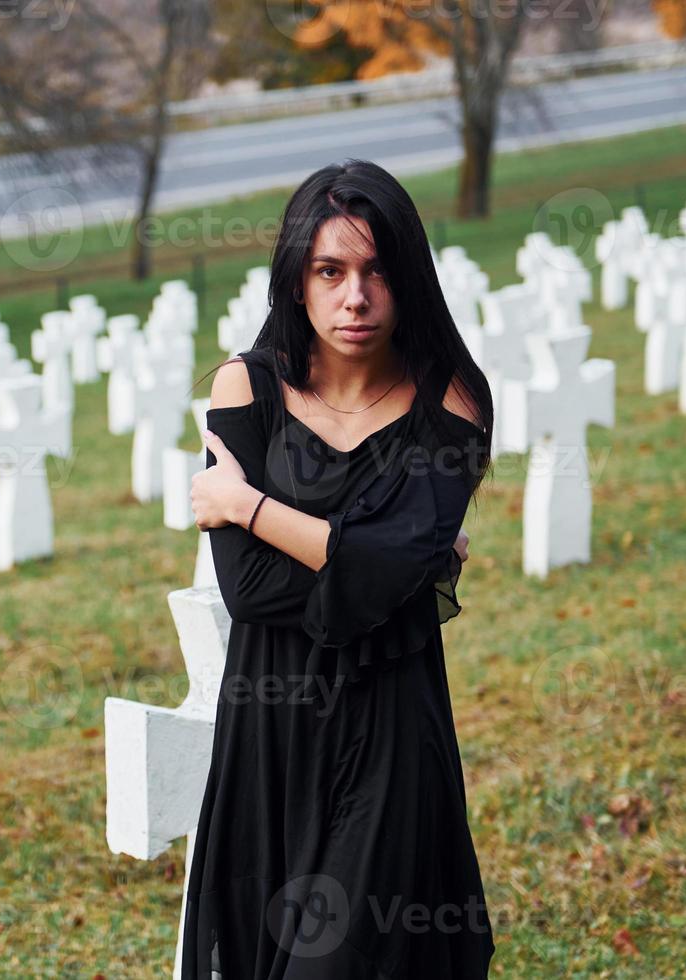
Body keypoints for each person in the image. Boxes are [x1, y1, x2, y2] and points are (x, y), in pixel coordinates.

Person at [182, 158, 496, 978]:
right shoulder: (242, 387)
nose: (354, 298)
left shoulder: (450, 400)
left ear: (409, 280)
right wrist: (393, 562)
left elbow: (387, 571)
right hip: (271, 730)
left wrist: (248, 508)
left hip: (391, 734)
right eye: (329, 271)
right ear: (295, 282)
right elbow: (249, 592)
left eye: (376, 271)